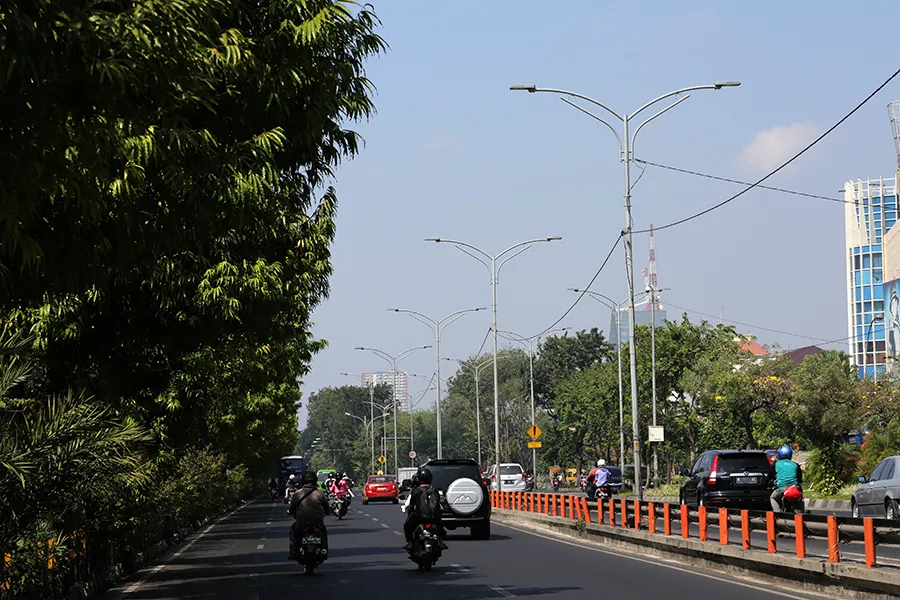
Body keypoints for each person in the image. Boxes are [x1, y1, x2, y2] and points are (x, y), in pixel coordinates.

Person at [288, 471, 330, 559]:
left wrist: (291, 512)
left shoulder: (298, 493)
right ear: (315, 481)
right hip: (317, 521)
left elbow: (292, 508)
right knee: (323, 532)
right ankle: (324, 550)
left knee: (294, 532)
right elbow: (327, 508)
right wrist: (327, 512)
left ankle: (294, 551)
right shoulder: (319, 494)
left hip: (302, 521)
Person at [402, 467, 446, 551]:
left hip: (420, 516)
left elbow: (411, 504)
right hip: (434, 517)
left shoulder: (416, 490)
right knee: (440, 527)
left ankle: (410, 543)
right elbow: (439, 502)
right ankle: (440, 543)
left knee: (407, 526)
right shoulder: (434, 489)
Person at [770, 445, 803, 512]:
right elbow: (799, 478)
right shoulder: (795, 465)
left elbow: (770, 476)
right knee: (800, 498)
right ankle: (801, 513)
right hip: (794, 489)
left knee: (772, 498)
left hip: (781, 490)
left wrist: (767, 482)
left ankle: (777, 513)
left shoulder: (776, 464)